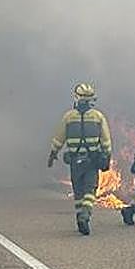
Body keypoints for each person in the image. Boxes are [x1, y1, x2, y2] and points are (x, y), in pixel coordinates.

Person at [48, 83, 112, 236]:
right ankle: (85, 214)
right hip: (92, 161)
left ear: (76, 98)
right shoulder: (98, 116)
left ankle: (79, 218)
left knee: (78, 192)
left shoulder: (68, 117)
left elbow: (58, 139)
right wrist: (107, 157)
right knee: (90, 190)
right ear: (91, 100)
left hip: (75, 161)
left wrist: (53, 154)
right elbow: (106, 141)